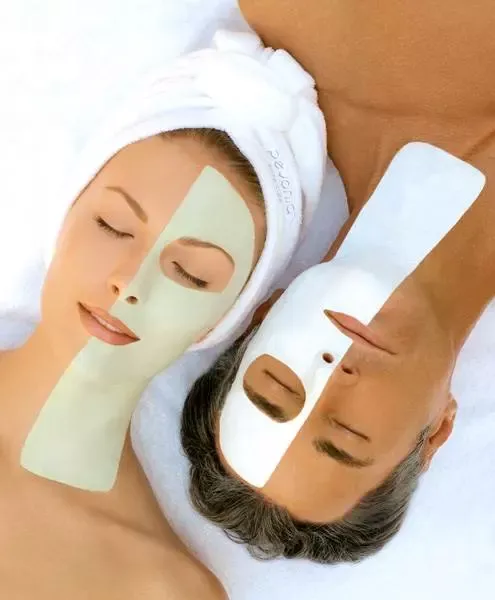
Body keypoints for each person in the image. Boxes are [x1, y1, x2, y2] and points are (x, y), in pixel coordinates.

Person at [0, 30, 333, 596]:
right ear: (65, 217)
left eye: (191, 274)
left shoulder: (162, 587)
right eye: (113, 226)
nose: (131, 282)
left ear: (227, 319)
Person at [180, 3, 495, 564]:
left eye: (277, 385)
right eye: (348, 434)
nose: (330, 372)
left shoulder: (314, 16)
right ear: (436, 433)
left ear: (264, 312)